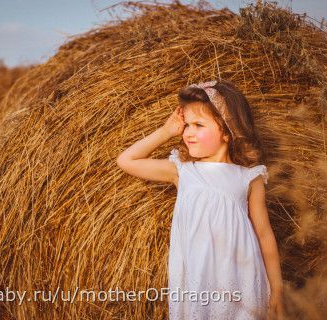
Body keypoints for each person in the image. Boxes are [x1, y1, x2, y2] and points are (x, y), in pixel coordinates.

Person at [116, 79, 284, 319]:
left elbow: (264, 233)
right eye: (187, 126)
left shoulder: (249, 177)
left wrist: (277, 287)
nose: (189, 133)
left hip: (241, 277)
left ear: (226, 131)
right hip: (199, 280)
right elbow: (126, 161)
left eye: (198, 125)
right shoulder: (183, 171)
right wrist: (166, 131)